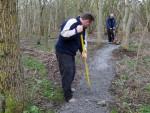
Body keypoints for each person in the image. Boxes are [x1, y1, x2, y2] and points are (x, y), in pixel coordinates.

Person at [55, 13, 94, 102]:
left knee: (72, 72)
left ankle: (67, 87)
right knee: (68, 72)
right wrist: (76, 30)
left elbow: (83, 41)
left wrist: (84, 51)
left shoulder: (84, 28)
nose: (89, 25)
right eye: (89, 23)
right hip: (63, 51)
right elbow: (63, 34)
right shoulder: (72, 22)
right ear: (86, 20)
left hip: (71, 53)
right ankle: (68, 97)